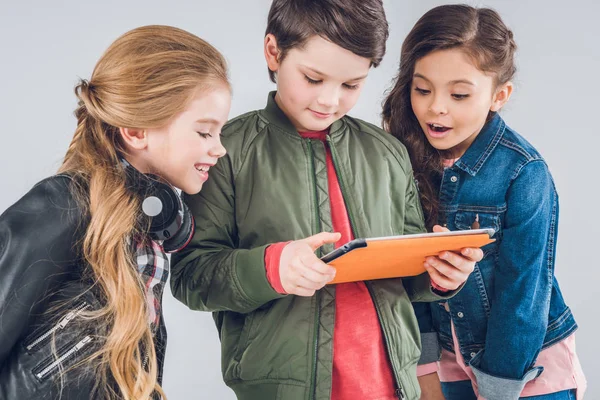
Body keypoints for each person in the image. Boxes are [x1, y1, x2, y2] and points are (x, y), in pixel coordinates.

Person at [170, 1, 482, 399]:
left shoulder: (386, 152)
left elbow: (407, 276)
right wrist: (271, 268)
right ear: (273, 52)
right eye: (313, 78)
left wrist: (440, 276)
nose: (330, 100)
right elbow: (191, 275)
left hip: (392, 384)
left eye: (351, 85)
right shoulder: (224, 151)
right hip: (284, 388)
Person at [0, 25, 230, 399]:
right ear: (137, 131)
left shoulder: (146, 228)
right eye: (205, 133)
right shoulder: (63, 206)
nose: (219, 149)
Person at [382, 5, 586, 400]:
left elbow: (523, 296)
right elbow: (407, 277)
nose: (435, 107)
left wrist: (498, 389)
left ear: (499, 95)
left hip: (526, 371)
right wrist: (424, 374)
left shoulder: (523, 172)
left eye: (459, 94)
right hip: (447, 366)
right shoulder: (402, 157)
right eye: (422, 89)